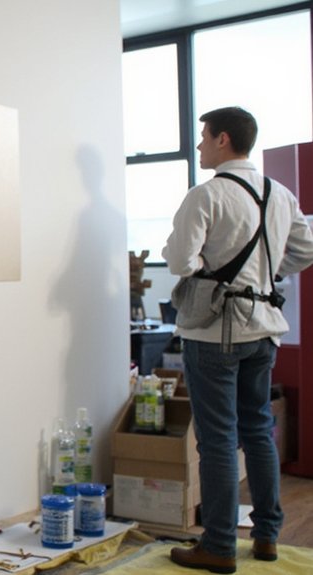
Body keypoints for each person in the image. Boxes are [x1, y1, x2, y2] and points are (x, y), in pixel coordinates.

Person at [163, 106, 313, 574]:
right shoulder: (279, 193)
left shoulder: (207, 194)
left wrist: (210, 268)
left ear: (223, 139)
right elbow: (306, 250)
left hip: (214, 332)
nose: (199, 145)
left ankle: (219, 545)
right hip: (264, 328)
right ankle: (266, 536)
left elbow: (179, 261)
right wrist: (265, 275)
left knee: (218, 440)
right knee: (258, 432)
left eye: (203, 137)